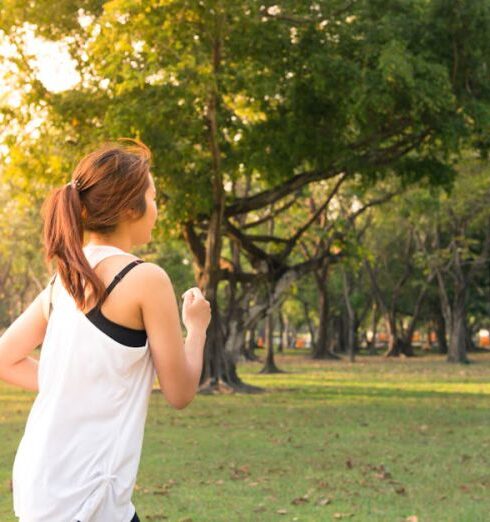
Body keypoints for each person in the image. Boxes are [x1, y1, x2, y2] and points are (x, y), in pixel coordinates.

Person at [0, 139, 211, 521]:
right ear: (131, 207)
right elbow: (180, 392)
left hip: (40, 483)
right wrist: (196, 329)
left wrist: (75, 382)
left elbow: (4, 360)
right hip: (86, 493)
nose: (157, 208)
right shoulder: (146, 279)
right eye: (153, 196)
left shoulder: (62, 282)